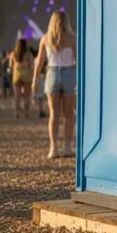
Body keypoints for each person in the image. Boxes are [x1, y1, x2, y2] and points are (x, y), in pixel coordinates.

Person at [33, 11, 77, 159]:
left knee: (54, 114)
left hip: (52, 73)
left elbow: (39, 61)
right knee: (69, 114)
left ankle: (54, 148)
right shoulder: (72, 38)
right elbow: (78, 61)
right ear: (66, 22)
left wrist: (34, 79)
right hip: (69, 73)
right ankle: (67, 147)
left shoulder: (45, 39)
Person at [9, 39, 34, 118]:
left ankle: (16, 113)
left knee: (17, 96)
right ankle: (27, 113)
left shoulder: (13, 54)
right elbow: (31, 65)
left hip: (17, 75)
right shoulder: (29, 54)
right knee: (27, 96)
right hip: (27, 76)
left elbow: (10, 66)